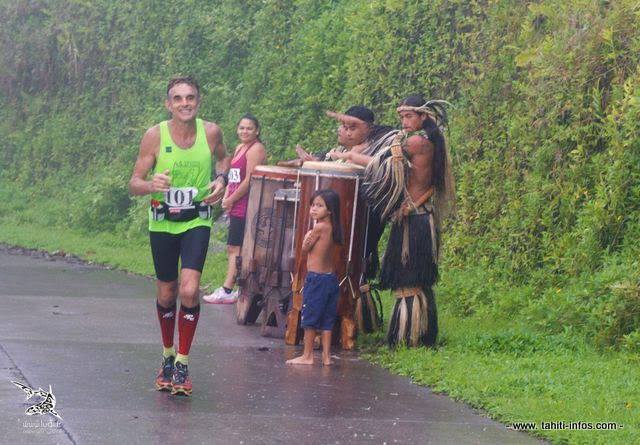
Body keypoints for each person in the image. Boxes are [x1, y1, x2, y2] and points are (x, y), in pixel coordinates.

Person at [128, 75, 230, 396]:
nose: (185, 103)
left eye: (190, 97)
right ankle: (167, 356)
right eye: (178, 98)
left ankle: (182, 363)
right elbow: (134, 183)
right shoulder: (154, 136)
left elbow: (224, 158)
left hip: (197, 219)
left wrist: (222, 180)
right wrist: (151, 185)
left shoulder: (211, 132)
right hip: (163, 222)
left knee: (189, 290)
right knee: (166, 293)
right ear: (168, 104)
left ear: (198, 101)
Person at [362, 94, 456, 348]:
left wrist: (348, 157)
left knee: (408, 278)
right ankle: (420, 334)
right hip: (420, 216)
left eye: (409, 116)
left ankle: (406, 337)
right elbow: (432, 185)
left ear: (423, 116)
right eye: (402, 116)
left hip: (415, 222)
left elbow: (379, 164)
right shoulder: (431, 142)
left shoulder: (416, 142)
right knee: (416, 280)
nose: (404, 121)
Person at [203, 113, 267, 304]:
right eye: (242, 128)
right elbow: (234, 177)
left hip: (246, 204)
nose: (245, 131)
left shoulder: (256, 149)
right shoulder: (240, 147)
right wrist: (224, 196)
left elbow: (249, 179)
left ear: (257, 131)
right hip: (235, 203)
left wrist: (231, 199)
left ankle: (228, 288)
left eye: (249, 128)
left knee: (235, 247)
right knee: (234, 246)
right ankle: (238, 287)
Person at [286, 189, 343, 366]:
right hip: (330, 279)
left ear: (330, 210)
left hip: (316, 279)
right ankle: (326, 357)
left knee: (309, 318)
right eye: (313, 205)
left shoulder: (319, 228)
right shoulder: (333, 228)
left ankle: (307, 355)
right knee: (327, 320)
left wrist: (306, 237)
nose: (314, 209)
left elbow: (305, 248)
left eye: (319, 205)